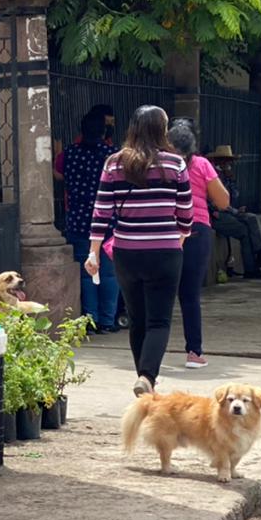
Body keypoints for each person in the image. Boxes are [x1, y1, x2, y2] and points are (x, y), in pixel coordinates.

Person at [85, 105, 193, 397]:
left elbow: (102, 211)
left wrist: (93, 252)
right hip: (165, 251)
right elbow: (185, 211)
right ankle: (147, 377)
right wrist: (181, 235)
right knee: (159, 321)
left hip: (127, 252)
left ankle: (145, 383)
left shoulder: (114, 163)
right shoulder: (175, 163)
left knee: (137, 319)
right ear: (162, 129)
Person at [168, 120, 231, 370]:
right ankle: (194, 352)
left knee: (159, 293)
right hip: (196, 228)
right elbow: (223, 202)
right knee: (190, 295)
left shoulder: (158, 165)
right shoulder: (202, 164)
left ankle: (149, 354)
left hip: (166, 230)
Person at [61, 110, 120, 333]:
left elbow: (61, 176)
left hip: (79, 219)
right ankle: (108, 320)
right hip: (108, 220)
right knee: (109, 273)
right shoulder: (112, 155)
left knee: (86, 273)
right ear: (104, 132)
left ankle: (90, 320)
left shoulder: (70, 154)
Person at [208, 145, 261, 278]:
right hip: (217, 214)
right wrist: (234, 211)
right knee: (244, 231)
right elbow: (216, 200)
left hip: (229, 211)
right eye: (225, 161)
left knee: (252, 218)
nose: (228, 164)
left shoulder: (226, 177)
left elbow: (234, 195)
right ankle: (252, 268)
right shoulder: (213, 176)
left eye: (229, 161)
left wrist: (231, 180)